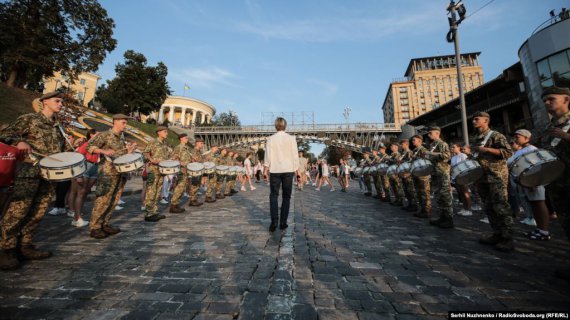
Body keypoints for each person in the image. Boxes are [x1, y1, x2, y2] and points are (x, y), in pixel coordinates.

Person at [0, 91, 65, 269]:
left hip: (48, 174)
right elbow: (5, 134)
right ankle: (6, 250)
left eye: (61, 101)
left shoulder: (58, 126)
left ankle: (25, 245)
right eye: (57, 101)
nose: (60, 104)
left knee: (38, 211)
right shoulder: (29, 119)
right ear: (45, 102)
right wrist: (19, 142)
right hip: (28, 172)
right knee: (18, 211)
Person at [87, 114, 137, 238]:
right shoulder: (104, 135)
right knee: (103, 199)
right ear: (115, 122)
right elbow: (90, 147)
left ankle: (105, 223)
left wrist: (129, 150)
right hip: (107, 172)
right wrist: (104, 151)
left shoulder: (121, 137)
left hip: (119, 172)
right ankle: (95, 227)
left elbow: (121, 155)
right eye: (123, 122)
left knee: (114, 200)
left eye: (126, 123)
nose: (125, 125)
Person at [471, 111, 514, 251]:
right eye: (473, 119)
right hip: (482, 177)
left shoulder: (496, 135)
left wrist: (487, 149)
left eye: (477, 119)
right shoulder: (477, 138)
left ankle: (507, 238)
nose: (473, 121)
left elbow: (508, 152)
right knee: (489, 207)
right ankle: (497, 233)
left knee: (501, 206)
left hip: (496, 176)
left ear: (486, 120)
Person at [539, 86, 570, 280]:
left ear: (566, 99)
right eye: (545, 100)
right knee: (567, 225)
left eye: (551, 98)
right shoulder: (549, 127)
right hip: (558, 183)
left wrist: (567, 137)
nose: (547, 103)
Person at [508, 129, 550, 240]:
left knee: (539, 203)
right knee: (534, 205)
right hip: (525, 181)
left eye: (518, 137)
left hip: (533, 181)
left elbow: (538, 165)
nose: (515, 139)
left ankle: (544, 231)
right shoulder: (520, 150)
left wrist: (533, 181)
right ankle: (540, 229)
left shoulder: (532, 149)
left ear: (527, 138)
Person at [264, 117, 299, 232]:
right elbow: (295, 155)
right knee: (286, 197)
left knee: (273, 195)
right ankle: (283, 222)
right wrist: (297, 169)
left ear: (275, 126)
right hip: (288, 170)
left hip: (275, 170)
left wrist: (265, 169)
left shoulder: (270, 139)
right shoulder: (291, 138)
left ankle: (274, 221)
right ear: (285, 126)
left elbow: (268, 155)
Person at [69, 129, 99, 227]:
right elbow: (78, 156)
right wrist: (78, 175)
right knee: (80, 193)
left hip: (95, 167)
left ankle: (78, 214)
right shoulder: (87, 144)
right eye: (97, 133)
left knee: (85, 192)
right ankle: (76, 218)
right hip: (86, 166)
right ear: (91, 135)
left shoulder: (98, 145)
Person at [425, 126, 454, 228]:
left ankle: (449, 219)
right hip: (435, 173)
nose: (428, 135)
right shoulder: (432, 144)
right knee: (438, 195)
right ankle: (442, 217)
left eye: (430, 133)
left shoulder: (442, 143)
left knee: (445, 195)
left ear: (437, 133)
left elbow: (447, 155)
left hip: (442, 172)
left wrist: (431, 153)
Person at [142, 126, 171, 222]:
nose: (167, 133)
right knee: (151, 191)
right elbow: (145, 153)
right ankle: (149, 213)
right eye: (165, 131)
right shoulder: (153, 142)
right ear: (159, 132)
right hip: (154, 170)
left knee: (158, 191)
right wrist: (151, 160)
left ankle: (154, 211)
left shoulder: (164, 144)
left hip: (162, 170)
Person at [169, 133, 192, 213]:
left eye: (187, 138)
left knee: (182, 188)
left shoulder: (187, 148)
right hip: (181, 171)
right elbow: (173, 158)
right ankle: (173, 205)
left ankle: (176, 204)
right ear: (181, 139)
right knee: (179, 188)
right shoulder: (178, 147)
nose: (187, 139)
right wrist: (180, 163)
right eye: (185, 138)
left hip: (186, 171)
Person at [410, 135, 431, 217]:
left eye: (414, 140)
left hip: (423, 174)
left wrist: (414, 157)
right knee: (418, 192)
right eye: (412, 140)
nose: (412, 142)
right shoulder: (415, 150)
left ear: (419, 141)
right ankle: (422, 209)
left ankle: (427, 210)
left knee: (425, 192)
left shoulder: (423, 149)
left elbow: (426, 161)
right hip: (416, 173)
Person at [450, 142, 472, 216]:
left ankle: (469, 209)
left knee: (465, 192)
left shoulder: (463, 155)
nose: (452, 148)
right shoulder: (453, 157)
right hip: (456, 176)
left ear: (459, 148)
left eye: (454, 147)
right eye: (452, 147)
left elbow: (467, 164)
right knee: (461, 193)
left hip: (463, 176)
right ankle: (464, 208)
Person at [399, 139, 418, 212]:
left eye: (402, 144)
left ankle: (414, 205)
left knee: (411, 189)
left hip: (408, 174)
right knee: (406, 189)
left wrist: (401, 161)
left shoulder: (409, 152)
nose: (401, 146)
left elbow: (410, 162)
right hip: (403, 172)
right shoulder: (403, 153)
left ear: (406, 144)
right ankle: (410, 204)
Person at [188, 138, 206, 206]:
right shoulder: (194, 151)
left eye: (203, 143)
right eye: (201, 143)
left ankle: (194, 199)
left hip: (199, 170)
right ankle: (192, 200)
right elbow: (193, 160)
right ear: (197, 143)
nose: (202, 145)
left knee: (197, 185)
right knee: (194, 185)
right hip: (195, 170)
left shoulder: (199, 151)